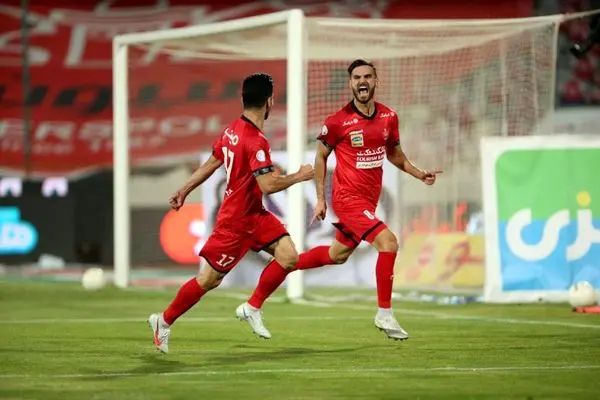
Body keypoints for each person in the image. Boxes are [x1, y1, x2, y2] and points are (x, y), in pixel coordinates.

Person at [237, 59, 442, 341]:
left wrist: (419, 173)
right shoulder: (337, 122)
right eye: (357, 77)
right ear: (350, 84)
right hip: (347, 200)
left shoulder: (389, 117)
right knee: (389, 243)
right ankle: (384, 313)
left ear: (376, 81)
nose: (362, 81)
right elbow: (320, 157)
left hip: (368, 202)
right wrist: (321, 199)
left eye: (367, 76)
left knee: (336, 256)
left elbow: (395, 154)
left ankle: (255, 301)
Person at [148, 73, 314, 353]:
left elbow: (211, 163)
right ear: (269, 101)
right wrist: (299, 175)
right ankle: (163, 321)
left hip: (254, 215)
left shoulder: (232, 130)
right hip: (235, 223)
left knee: (288, 256)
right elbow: (268, 184)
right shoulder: (255, 140)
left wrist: (184, 189)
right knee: (208, 280)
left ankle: (252, 307)